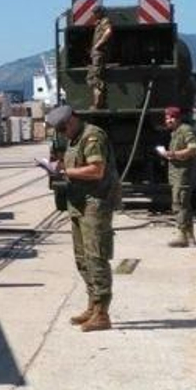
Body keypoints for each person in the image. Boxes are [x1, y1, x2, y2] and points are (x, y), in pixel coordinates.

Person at [41, 103, 118, 330]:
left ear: (74, 118)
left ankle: (102, 314)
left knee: (96, 258)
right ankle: (93, 305)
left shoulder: (92, 136)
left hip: (95, 204)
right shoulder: (73, 139)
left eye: (65, 128)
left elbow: (96, 170)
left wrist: (65, 172)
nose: (63, 133)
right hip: (78, 204)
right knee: (82, 260)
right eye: (60, 130)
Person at [160, 106, 196, 247]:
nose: (168, 120)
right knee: (184, 204)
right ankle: (190, 237)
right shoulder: (175, 132)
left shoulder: (185, 130)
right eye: (166, 118)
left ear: (177, 118)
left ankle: (181, 235)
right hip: (177, 173)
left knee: (180, 204)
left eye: (171, 118)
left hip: (184, 173)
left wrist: (174, 154)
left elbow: (193, 148)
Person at [85, 15, 113, 109]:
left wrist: (98, 44)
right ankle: (99, 103)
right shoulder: (100, 22)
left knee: (96, 78)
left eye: (94, 13)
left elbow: (108, 31)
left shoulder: (105, 21)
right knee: (96, 77)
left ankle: (98, 104)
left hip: (98, 54)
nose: (92, 15)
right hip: (97, 54)